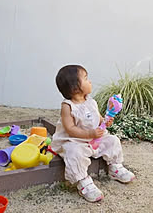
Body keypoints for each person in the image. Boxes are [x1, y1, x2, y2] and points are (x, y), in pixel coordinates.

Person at [51, 65, 135, 203]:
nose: (90, 81)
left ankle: (115, 167)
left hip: (94, 138)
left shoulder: (91, 101)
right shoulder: (67, 106)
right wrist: (89, 133)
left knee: (112, 140)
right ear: (75, 88)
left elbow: (98, 118)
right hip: (75, 140)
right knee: (73, 152)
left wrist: (105, 121)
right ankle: (83, 181)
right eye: (85, 79)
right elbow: (70, 128)